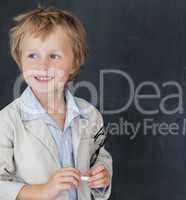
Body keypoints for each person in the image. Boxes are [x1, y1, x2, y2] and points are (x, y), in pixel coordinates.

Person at [0, 6, 112, 200]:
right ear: (20, 59)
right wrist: (44, 191)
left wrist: (102, 176)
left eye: (54, 56)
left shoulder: (89, 114)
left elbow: (99, 155)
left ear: (74, 62)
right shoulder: (7, 122)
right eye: (32, 55)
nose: (42, 66)